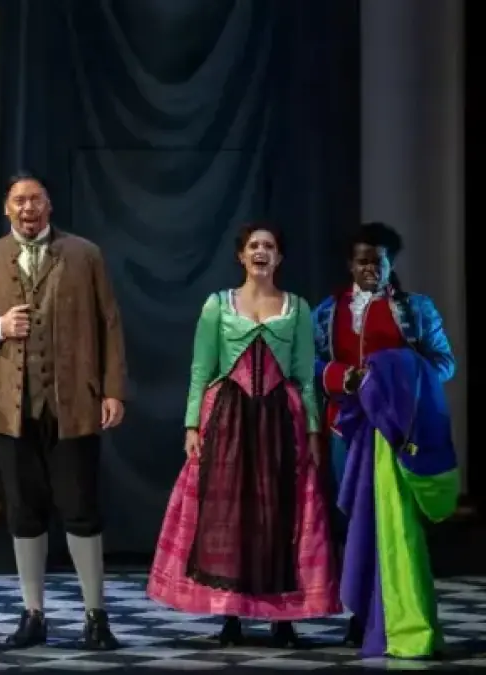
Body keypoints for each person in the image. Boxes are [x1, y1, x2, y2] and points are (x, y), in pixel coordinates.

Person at [0, 173, 126, 650]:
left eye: (35, 200)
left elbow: (109, 323)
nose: (27, 208)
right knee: (25, 512)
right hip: (13, 407)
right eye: (19, 201)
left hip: (74, 404)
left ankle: (95, 615)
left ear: (49, 206)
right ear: (6, 209)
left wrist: (112, 390)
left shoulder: (84, 254)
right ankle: (33, 614)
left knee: (81, 509)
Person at [146, 223, 341, 646]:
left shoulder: (296, 307)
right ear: (241, 256)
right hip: (228, 420)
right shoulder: (218, 305)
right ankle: (230, 614)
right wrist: (192, 425)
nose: (261, 251)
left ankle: (283, 618)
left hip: (279, 421)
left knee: (279, 514)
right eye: (254, 245)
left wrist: (313, 430)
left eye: (269, 246)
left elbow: (305, 376)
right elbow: (201, 369)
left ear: (279, 257)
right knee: (229, 515)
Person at [313, 222, 457, 658]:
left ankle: (398, 614)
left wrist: (391, 373)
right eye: (363, 262)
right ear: (350, 265)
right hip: (346, 429)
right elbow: (311, 365)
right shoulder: (327, 312)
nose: (370, 269)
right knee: (354, 520)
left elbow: (444, 364)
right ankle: (360, 614)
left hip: (397, 433)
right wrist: (342, 377)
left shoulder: (416, 310)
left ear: (391, 263)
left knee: (397, 526)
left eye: (378, 261)